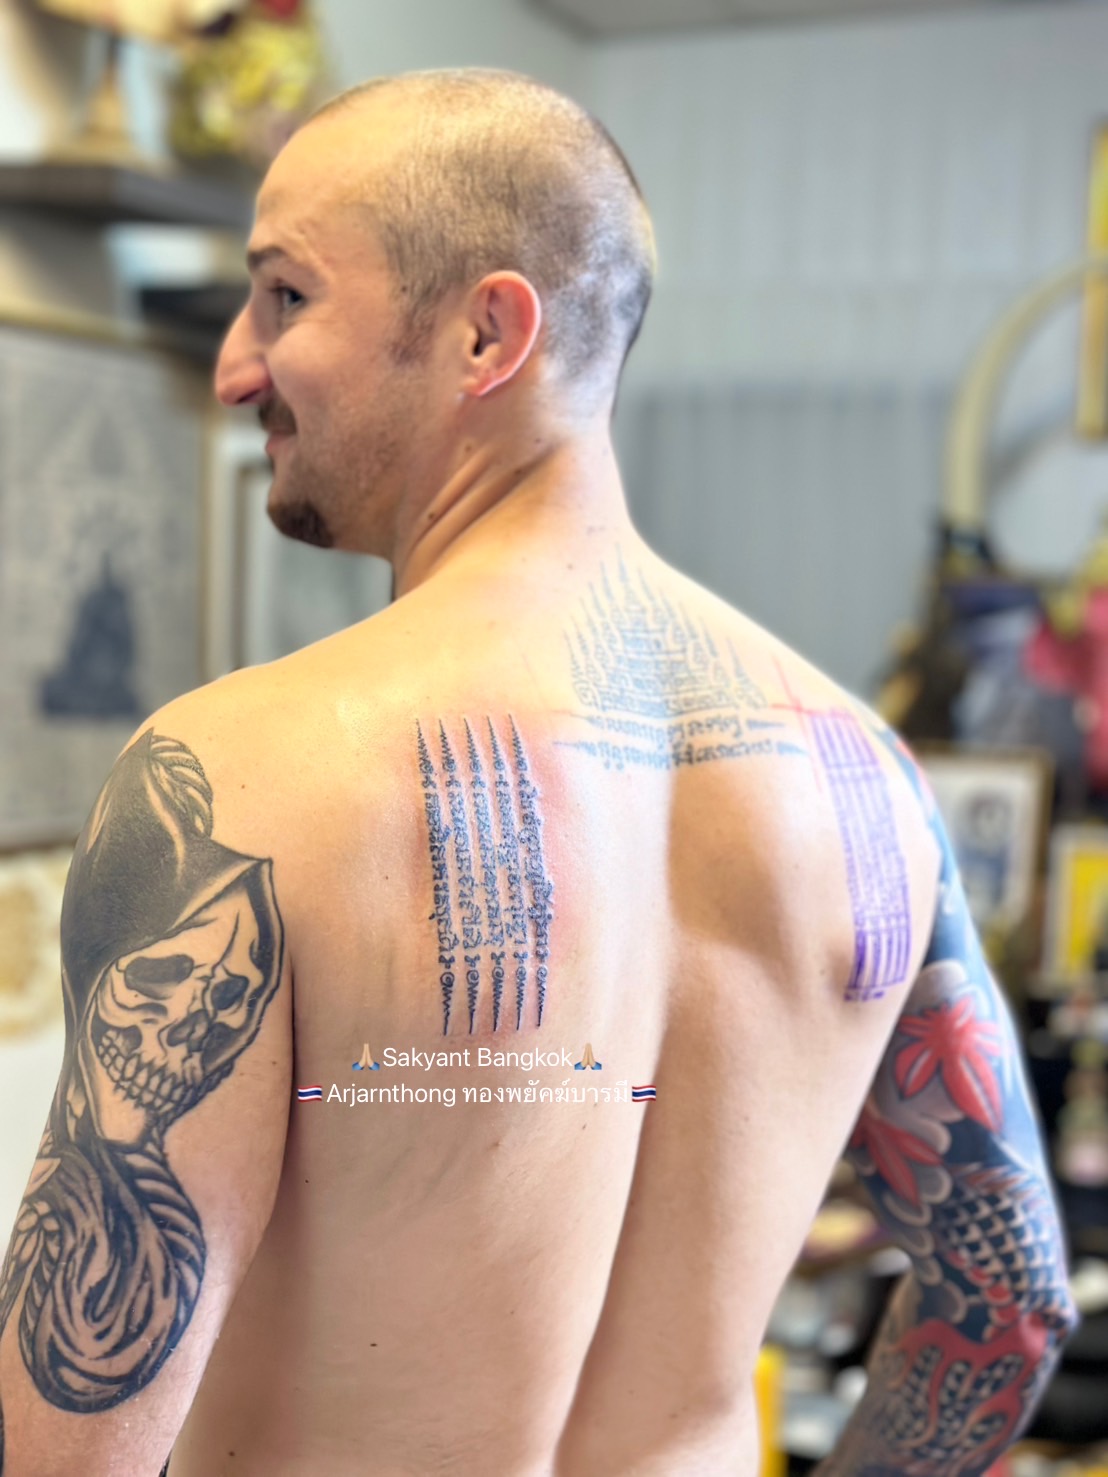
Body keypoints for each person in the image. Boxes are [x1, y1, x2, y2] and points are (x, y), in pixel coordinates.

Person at [0, 68, 1078, 1477]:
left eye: (285, 297)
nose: (234, 366)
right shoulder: (863, 780)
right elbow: (1008, 1308)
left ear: (485, 334)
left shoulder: (242, 777)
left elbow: (67, 1439)